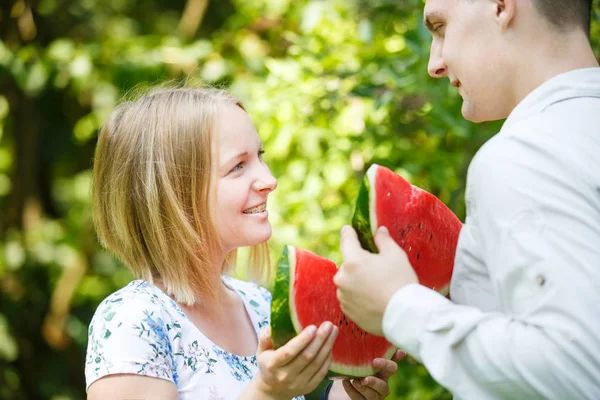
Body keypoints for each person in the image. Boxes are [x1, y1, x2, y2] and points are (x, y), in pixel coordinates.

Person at [334, 0, 600, 399]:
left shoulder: (524, 155)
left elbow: (577, 366)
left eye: (440, 27)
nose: (434, 64)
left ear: (500, 7)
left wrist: (400, 306)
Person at [84, 86, 399, 400]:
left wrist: (350, 394)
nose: (269, 180)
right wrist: (267, 392)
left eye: (260, 157)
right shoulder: (131, 321)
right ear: (174, 195)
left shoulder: (260, 306)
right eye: (238, 166)